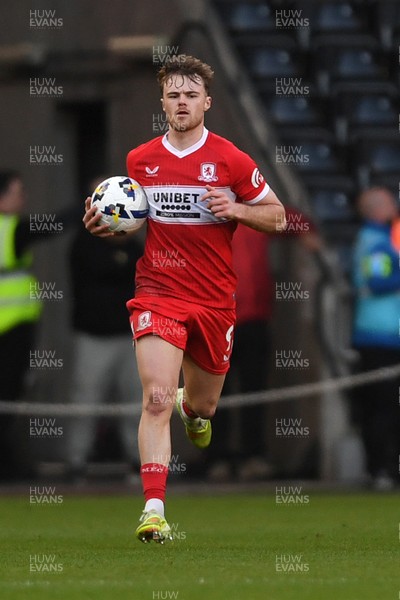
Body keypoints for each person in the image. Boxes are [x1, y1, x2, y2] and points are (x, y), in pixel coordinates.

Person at [83, 55, 286, 543]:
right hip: (159, 291)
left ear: (206, 102)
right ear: (163, 103)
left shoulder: (231, 159)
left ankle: (191, 410)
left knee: (205, 406)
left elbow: (278, 218)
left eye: (190, 95)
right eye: (173, 94)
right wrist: (105, 229)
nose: (181, 102)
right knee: (154, 397)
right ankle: (154, 510)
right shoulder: (140, 161)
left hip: (214, 299)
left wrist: (236, 207)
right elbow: (129, 222)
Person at [66, 178, 144, 483]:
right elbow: (104, 271)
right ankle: (76, 462)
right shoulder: (83, 244)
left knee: (135, 402)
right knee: (85, 400)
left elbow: (135, 275)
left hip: (130, 337)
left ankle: (139, 463)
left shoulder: (135, 245)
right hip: (93, 337)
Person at [352, 186, 400, 490]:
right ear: (377, 209)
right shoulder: (377, 243)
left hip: (381, 335)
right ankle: (381, 469)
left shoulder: (375, 240)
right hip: (380, 337)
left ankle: (380, 469)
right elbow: (377, 281)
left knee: (380, 407)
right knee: (383, 408)